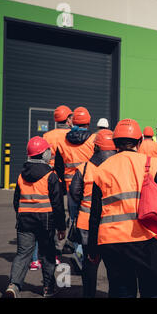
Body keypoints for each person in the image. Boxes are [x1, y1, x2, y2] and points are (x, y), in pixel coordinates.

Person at [87, 119, 157, 298]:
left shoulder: (101, 170)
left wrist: (93, 249)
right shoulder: (152, 164)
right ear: (139, 142)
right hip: (149, 240)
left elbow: (95, 215)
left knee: (121, 292)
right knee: (151, 292)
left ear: (115, 143)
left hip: (113, 243)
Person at [5, 137, 66, 298]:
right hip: (45, 222)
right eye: (48, 150)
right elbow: (58, 205)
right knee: (47, 255)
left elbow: (16, 202)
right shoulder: (51, 176)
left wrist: (22, 215)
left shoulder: (20, 176)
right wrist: (61, 227)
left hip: (24, 221)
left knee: (22, 254)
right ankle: (48, 288)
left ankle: (13, 286)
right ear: (43, 154)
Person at [69, 129, 117, 298]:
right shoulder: (117, 168)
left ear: (96, 146)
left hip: (86, 223)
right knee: (114, 268)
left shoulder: (85, 167)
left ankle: (89, 294)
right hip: (111, 223)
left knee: (90, 265)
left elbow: (74, 193)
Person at [55, 107, 95, 267]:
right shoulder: (93, 140)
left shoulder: (62, 141)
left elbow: (58, 167)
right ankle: (89, 254)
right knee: (88, 219)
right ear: (88, 122)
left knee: (73, 220)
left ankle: (78, 255)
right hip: (89, 186)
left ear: (74, 121)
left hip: (70, 187)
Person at [43, 105, 73, 264]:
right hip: (69, 179)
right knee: (72, 213)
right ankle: (69, 241)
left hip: (49, 178)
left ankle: (52, 244)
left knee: (53, 210)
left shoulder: (47, 135)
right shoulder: (71, 134)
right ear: (68, 119)